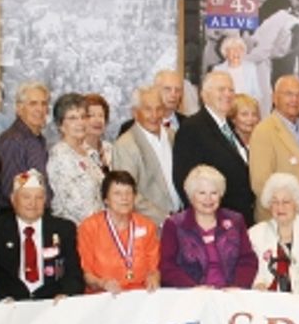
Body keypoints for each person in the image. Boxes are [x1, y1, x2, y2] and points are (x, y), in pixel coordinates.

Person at [0, 170, 84, 301]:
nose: (33, 203)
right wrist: (2, 299)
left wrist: (66, 294)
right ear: (13, 199)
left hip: (52, 302)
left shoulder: (64, 229)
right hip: (11, 303)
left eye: (39, 198)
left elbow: (74, 273)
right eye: (26, 197)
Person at [173, 71, 255, 222]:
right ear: (205, 95)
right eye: (221, 89)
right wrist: (207, 222)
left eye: (231, 90)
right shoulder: (192, 128)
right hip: (216, 223)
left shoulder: (228, 126)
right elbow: (185, 182)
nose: (228, 94)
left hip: (241, 219)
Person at [159, 165, 256, 289]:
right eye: (202, 193)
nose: (208, 199)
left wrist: (238, 286)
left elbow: (247, 260)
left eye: (214, 193)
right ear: (191, 196)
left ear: (221, 195)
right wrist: (192, 288)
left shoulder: (236, 221)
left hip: (230, 293)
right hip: (190, 294)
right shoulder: (174, 225)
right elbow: (167, 266)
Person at [249, 75, 299, 222]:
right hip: (281, 222)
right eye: (288, 94)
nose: (295, 100)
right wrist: (284, 221)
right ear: (274, 98)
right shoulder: (264, 131)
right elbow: (260, 184)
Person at [78, 171, 161, 293]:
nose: (124, 198)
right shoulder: (89, 227)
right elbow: (86, 274)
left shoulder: (147, 226)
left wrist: (154, 277)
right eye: (117, 193)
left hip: (140, 295)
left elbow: (154, 268)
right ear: (106, 199)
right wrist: (102, 283)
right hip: (104, 295)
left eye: (129, 193)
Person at [111, 84, 181, 226]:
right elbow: (128, 193)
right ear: (135, 113)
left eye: (159, 108)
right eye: (148, 109)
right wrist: (165, 219)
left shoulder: (173, 136)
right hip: (150, 226)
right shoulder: (125, 145)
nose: (154, 115)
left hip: (181, 219)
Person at [248, 173, 299, 295]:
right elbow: (255, 272)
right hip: (268, 300)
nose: (280, 207)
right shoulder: (255, 233)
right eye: (275, 202)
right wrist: (258, 285)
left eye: (286, 202)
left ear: (296, 204)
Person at [46, 93, 105, 225]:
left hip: (98, 226)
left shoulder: (87, 152)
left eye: (83, 117)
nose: (80, 123)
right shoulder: (60, 155)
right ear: (61, 125)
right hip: (75, 229)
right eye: (73, 118)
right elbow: (76, 206)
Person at [0, 81, 52, 208]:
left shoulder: (38, 139)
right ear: (19, 109)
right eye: (33, 104)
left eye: (43, 104)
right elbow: (9, 189)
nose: (40, 109)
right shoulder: (13, 141)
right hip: (19, 215)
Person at [214, 35, 267, 114]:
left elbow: (257, 93)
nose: (236, 52)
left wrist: (251, 106)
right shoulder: (218, 70)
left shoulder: (251, 67)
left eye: (240, 49)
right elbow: (215, 94)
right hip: (226, 110)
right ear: (225, 53)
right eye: (232, 49)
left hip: (246, 109)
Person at [82, 93, 113, 169]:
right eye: (91, 115)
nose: (98, 120)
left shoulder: (110, 149)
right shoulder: (76, 152)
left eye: (101, 115)